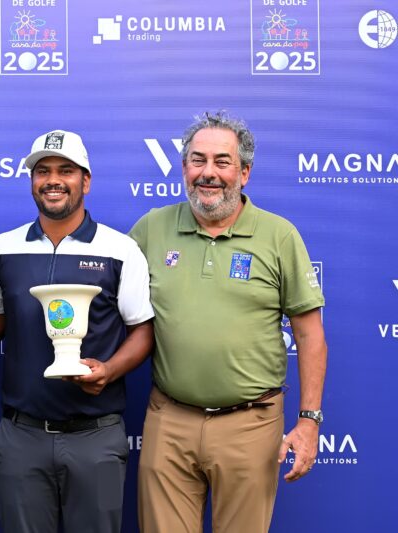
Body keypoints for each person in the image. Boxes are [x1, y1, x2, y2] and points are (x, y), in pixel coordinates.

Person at [130, 111, 327, 533]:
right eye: (198, 160)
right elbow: (118, 311)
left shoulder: (279, 236)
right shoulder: (150, 230)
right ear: (183, 168)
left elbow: (309, 334)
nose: (208, 173)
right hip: (169, 421)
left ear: (245, 172)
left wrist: (309, 421)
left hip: (250, 423)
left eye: (222, 161)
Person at [0, 129, 155, 533]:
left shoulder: (120, 249)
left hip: (95, 435)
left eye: (65, 170)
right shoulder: (2, 249)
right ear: (33, 181)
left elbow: (142, 332)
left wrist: (109, 370)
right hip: (22, 435)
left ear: (85, 180)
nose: (53, 180)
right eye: (42, 171)